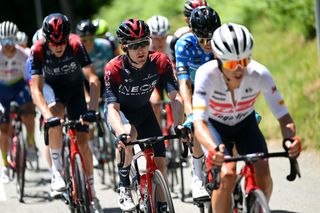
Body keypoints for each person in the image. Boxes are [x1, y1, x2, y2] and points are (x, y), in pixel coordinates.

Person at [193, 23, 302, 212]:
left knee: (263, 172)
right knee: (227, 174)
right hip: (215, 127)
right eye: (230, 64)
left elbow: (284, 116)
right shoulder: (206, 75)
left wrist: (290, 139)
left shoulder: (260, 74)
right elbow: (199, 122)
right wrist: (212, 150)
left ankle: (258, 206)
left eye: (243, 62)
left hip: (245, 124)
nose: (238, 70)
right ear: (218, 58)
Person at [104, 18, 187, 212]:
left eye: (144, 43)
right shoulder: (113, 68)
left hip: (144, 112)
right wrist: (120, 134)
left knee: (160, 163)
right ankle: (124, 187)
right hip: (121, 114)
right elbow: (112, 108)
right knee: (127, 134)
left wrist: (179, 124)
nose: (141, 50)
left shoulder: (160, 61)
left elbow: (175, 97)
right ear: (124, 47)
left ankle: (162, 206)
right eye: (134, 46)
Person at [28, 13, 102, 212]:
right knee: (55, 115)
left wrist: (93, 110)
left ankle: (92, 194)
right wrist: (46, 115)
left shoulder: (76, 44)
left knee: (83, 142)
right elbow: (35, 88)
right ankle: (57, 172)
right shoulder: (37, 49)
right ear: (46, 39)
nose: (58, 46)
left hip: (75, 90)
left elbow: (93, 80)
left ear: (68, 37)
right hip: (53, 90)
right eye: (53, 42)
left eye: (62, 41)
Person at [174, 6, 221, 201]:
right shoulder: (183, 44)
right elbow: (184, 84)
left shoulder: (221, 39)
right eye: (203, 40)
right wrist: (191, 114)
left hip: (215, 84)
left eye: (212, 39)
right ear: (192, 32)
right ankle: (197, 177)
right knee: (197, 127)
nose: (208, 45)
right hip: (193, 87)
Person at [0, 21, 36, 183]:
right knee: (3, 128)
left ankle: (29, 142)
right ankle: (5, 165)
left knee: (29, 113)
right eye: (3, 41)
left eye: (11, 41)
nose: (8, 45)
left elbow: (30, 79)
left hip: (19, 86)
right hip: (2, 89)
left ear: (16, 39)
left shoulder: (25, 54)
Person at [147, 15, 173, 125]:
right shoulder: (145, 46)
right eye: (156, 38)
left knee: (179, 99)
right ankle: (157, 132)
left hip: (169, 74)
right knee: (155, 102)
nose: (160, 42)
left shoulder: (172, 43)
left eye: (163, 37)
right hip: (151, 77)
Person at [170, 0, 208, 67]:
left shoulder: (215, 33)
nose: (200, 19)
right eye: (195, 16)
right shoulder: (179, 36)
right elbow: (175, 66)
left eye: (204, 15)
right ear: (186, 20)